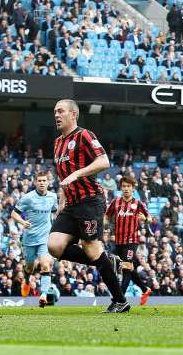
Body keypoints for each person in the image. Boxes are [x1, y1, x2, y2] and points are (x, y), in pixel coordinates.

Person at [48, 99, 129, 313]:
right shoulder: (58, 143)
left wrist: (77, 173)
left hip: (89, 201)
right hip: (71, 204)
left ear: (73, 114)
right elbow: (62, 177)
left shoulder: (85, 135)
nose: (56, 115)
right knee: (54, 246)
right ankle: (106, 260)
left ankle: (120, 301)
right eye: (55, 112)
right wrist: (61, 203)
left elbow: (104, 162)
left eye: (61, 111)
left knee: (91, 248)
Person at [11, 171, 58, 307]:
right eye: (39, 181)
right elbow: (14, 213)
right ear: (35, 182)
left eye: (44, 181)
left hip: (45, 237)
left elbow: (55, 212)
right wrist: (22, 222)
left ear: (48, 182)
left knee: (45, 264)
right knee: (30, 267)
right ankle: (26, 280)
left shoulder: (53, 197)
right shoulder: (28, 198)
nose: (42, 183)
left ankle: (43, 295)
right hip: (30, 238)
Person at [105, 176, 152, 305]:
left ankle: (118, 301)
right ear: (121, 188)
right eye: (124, 186)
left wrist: (145, 219)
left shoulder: (138, 203)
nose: (126, 189)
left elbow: (150, 218)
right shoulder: (116, 202)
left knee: (126, 268)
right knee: (129, 268)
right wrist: (103, 226)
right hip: (118, 242)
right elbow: (107, 217)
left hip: (131, 241)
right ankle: (145, 289)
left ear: (133, 188)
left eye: (128, 186)